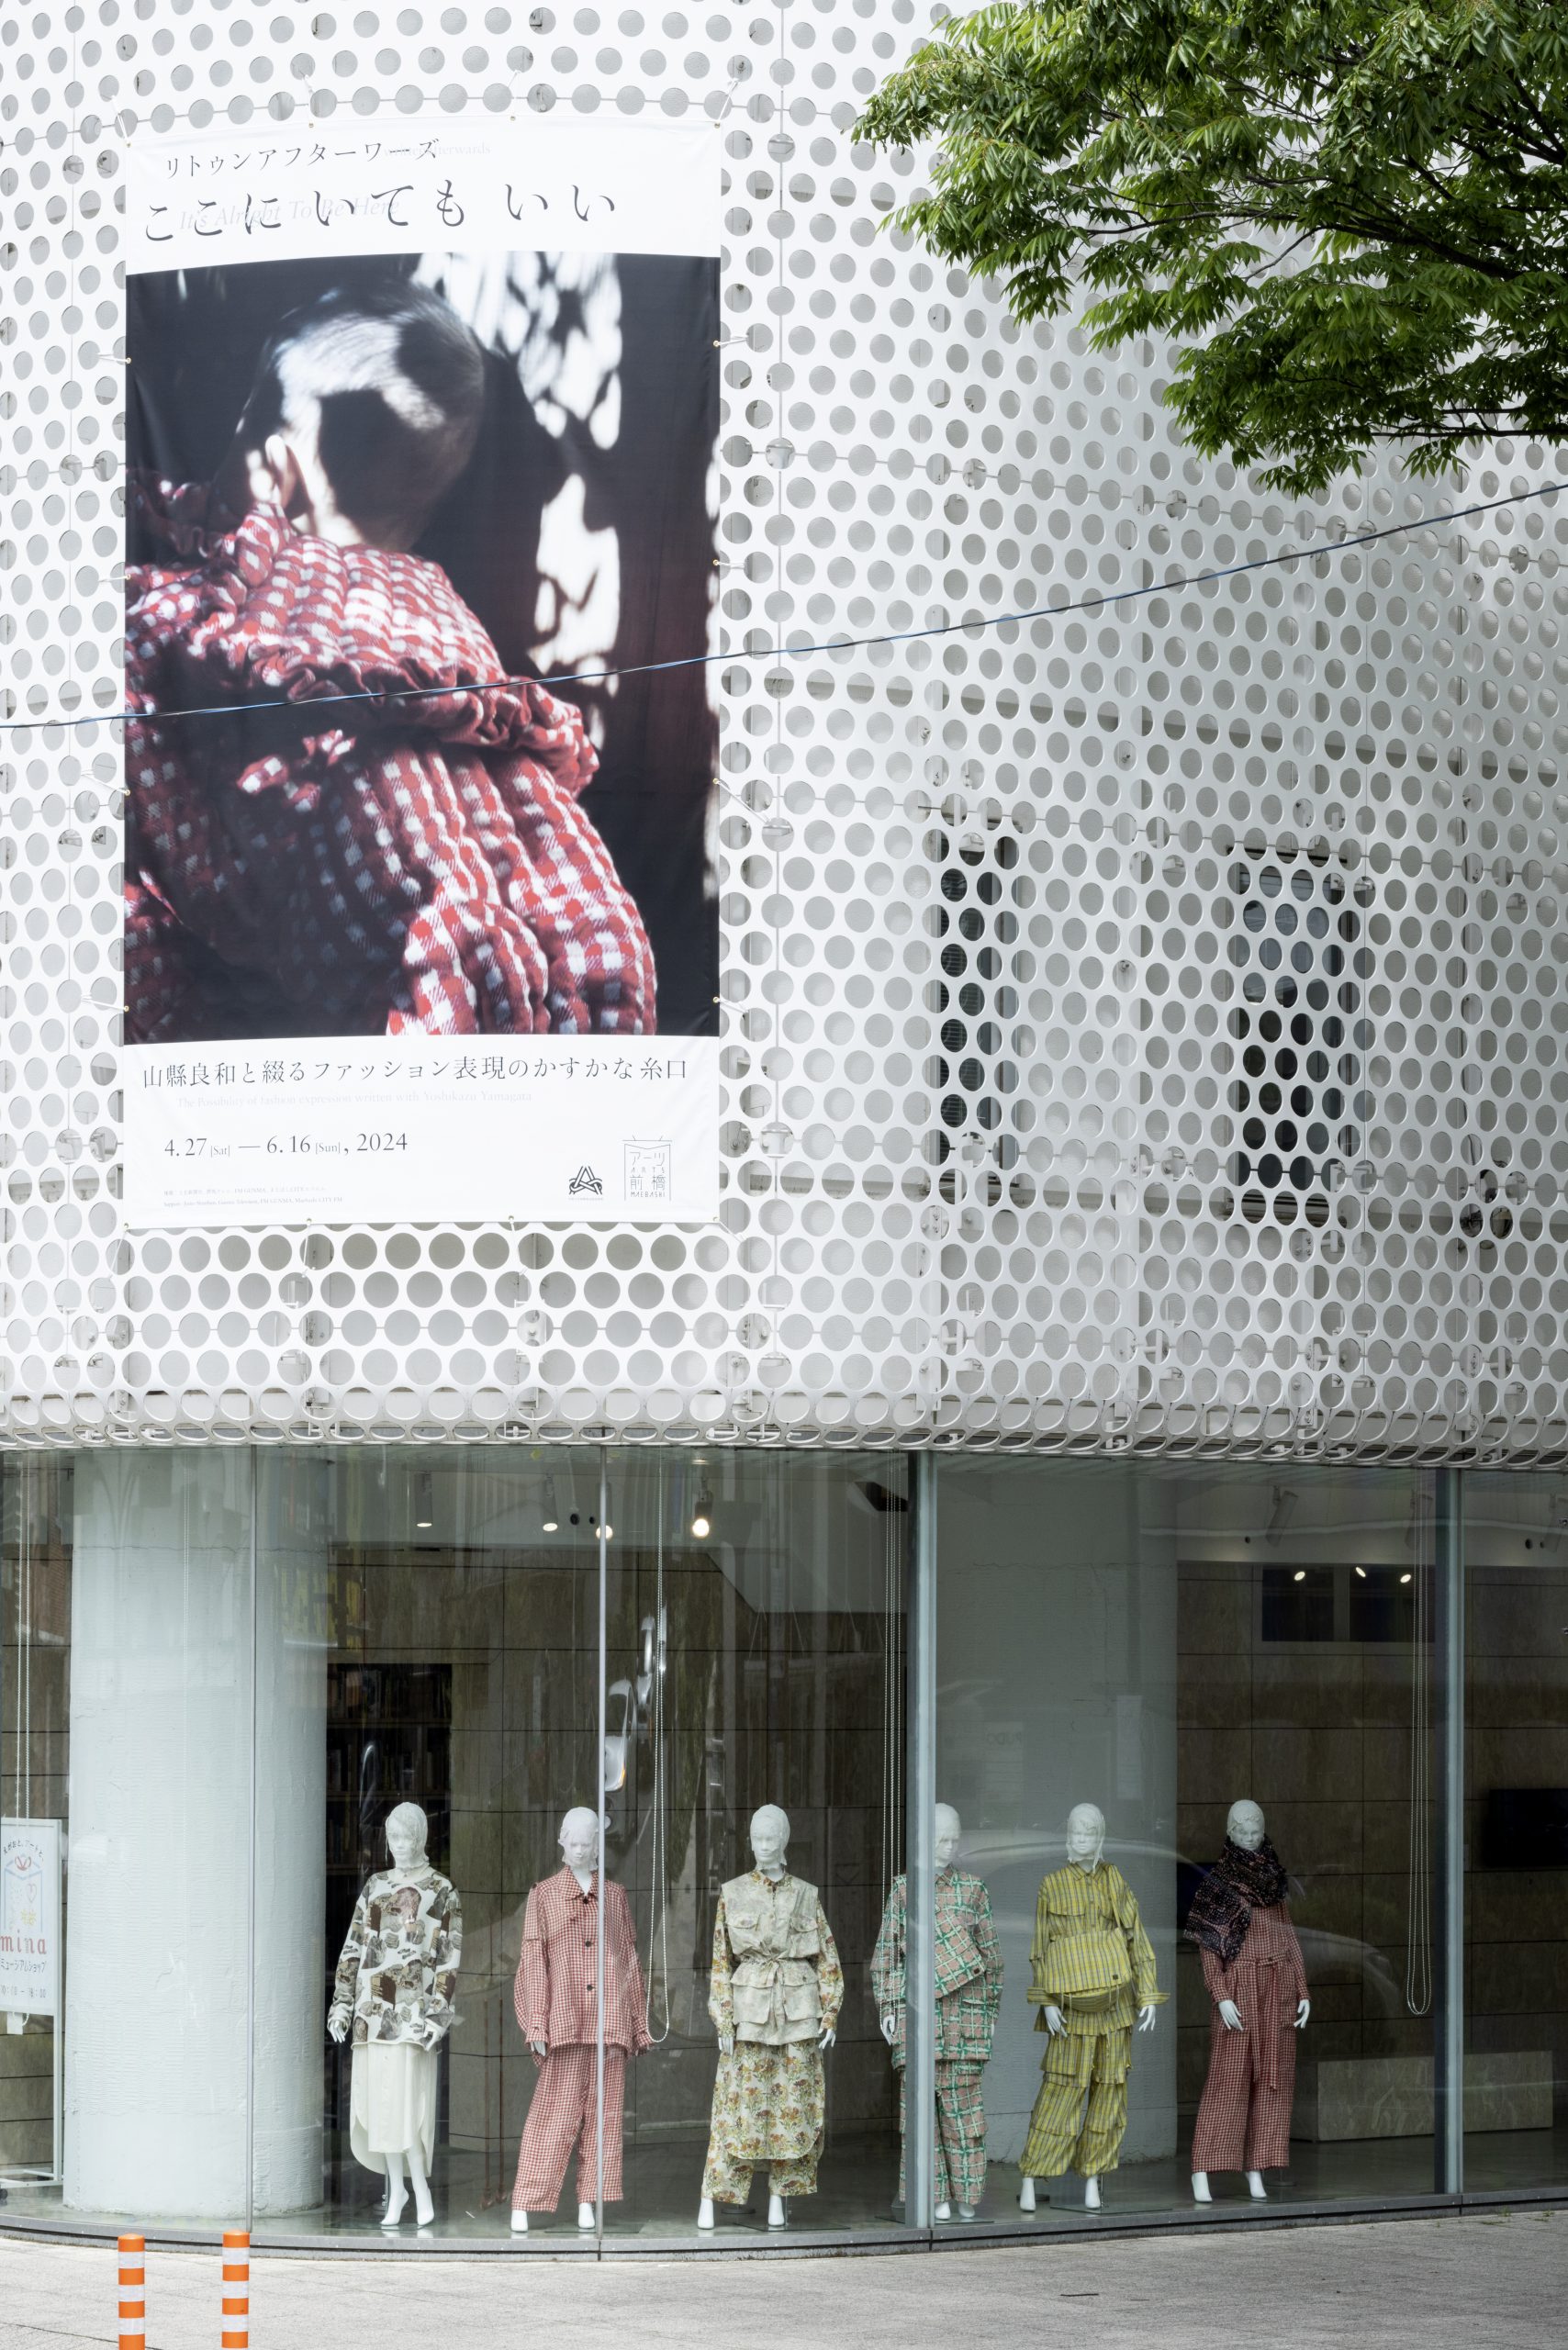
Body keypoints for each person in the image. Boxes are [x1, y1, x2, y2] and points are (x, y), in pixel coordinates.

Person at [125, 281, 656, 1044]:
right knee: (519, 871)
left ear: (275, 470)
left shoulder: (243, 589)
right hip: (532, 922)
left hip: (370, 916)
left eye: (244, 424)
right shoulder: (439, 603)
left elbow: (157, 657)